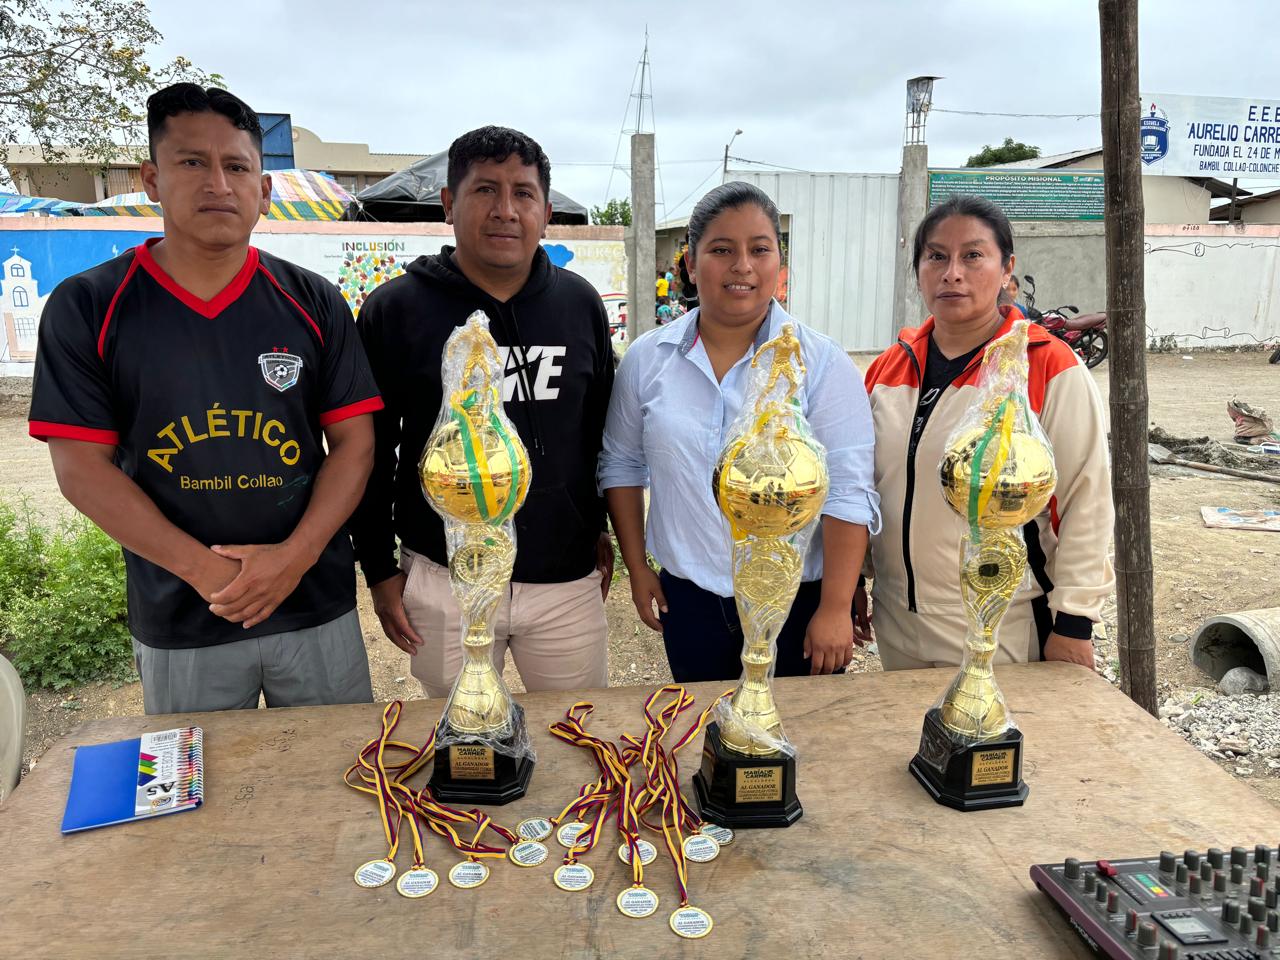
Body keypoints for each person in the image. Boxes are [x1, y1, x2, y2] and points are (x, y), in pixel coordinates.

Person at [27, 83, 381, 714]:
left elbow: (355, 444)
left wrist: (294, 558)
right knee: (197, 777)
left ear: (263, 191)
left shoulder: (315, 300)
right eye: (192, 161)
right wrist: (207, 572)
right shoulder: (89, 306)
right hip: (182, 614)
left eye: (237, 167)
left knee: (339, 765)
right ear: (152, 179)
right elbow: (80, 469)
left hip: (313, 601)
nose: (218, 184)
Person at [349, 125, 615, 698]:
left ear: (546, 212)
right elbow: (367, 451)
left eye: (523, 193)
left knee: (576, 730)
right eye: (485, 190)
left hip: (564, 582)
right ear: (449, 203)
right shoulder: (395, 310)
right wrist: (378, 569)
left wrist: (597, 526)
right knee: (464, 740)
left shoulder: (579, 305)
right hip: (443, 575)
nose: (505, 210)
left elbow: (598, 436)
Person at [600, 182, 879, 682]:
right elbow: (621, 463)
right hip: (690, 601)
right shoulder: (647, 359)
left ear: (780, 264)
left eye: (759, 249)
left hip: (797, 602)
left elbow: (849, 489)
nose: (742, 266)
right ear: (691, 263)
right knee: (704, 724)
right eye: (722, 250)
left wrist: (836, 605)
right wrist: (638, 567)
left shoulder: (821, 363)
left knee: (796, 729)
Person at [860, 195, 1114, 671]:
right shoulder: (888, 369)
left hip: (1004, 626)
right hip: (897, 620)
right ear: (918, 269)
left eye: (973, 255)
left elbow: (1086, 498)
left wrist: (1074, 620)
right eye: (937, 256)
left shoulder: (1045, 365)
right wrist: (855, 577)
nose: (952, 273)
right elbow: (864, 487)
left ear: (1006, 268)